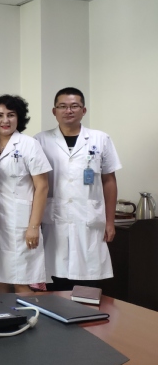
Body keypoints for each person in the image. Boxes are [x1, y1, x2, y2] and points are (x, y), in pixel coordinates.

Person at [35, 87, 121, 290]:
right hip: (54, 222)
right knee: (56, 282)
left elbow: (109, 181)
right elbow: (35, 185)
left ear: (84, 110)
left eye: (74, 106)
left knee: (88, 284)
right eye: (62, 106)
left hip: (89, 221)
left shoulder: (100, 139)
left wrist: (110, 222)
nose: (68, 111)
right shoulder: (40, 140)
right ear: (54, 111)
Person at [0, 95, 51, 294]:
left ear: (18, 117)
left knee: (21, 281)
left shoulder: (29, 144)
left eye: (11, 115)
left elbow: (42, 187)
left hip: (21, 223)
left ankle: (36, 314)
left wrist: (33, 227)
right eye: (0, 115)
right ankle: (3, 315)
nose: (5, 120)